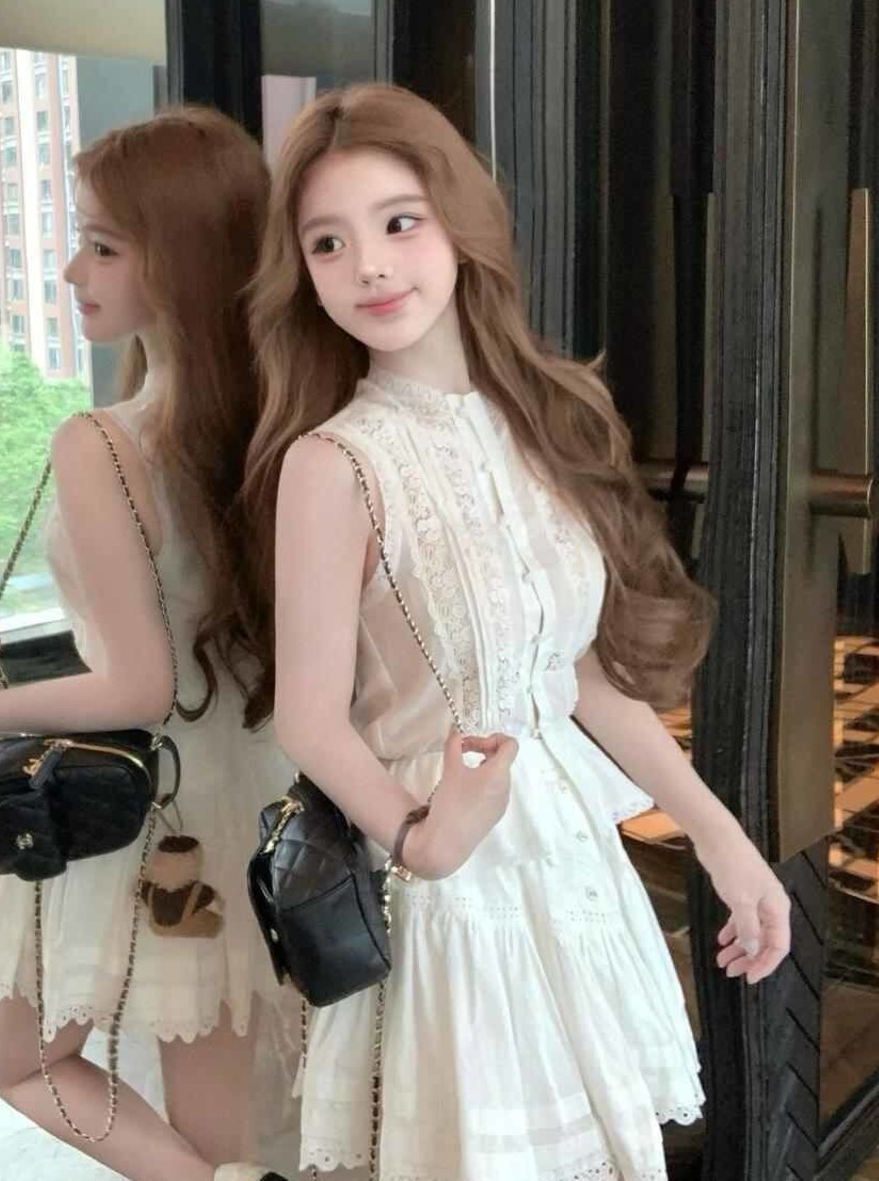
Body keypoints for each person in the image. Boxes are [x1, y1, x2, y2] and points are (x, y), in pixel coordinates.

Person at [242, 82, 792, 1181]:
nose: (369, 266)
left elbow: (577, 677)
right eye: (328, 243)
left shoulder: (537, 420)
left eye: (399, 222)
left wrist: (721, 839)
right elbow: (307, 716)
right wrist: (422, 839)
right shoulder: (333, 462)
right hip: (451, 894)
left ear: (459, 223)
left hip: (568, 865)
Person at [0, 106, 294, 1181]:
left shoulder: (102, 443)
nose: (73, 270)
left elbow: (136, 684)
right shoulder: (285, 418)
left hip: (151, 807)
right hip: (270, 792)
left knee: (24, 1061)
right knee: (227, 1124)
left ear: (180, 258)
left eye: (104, 245)